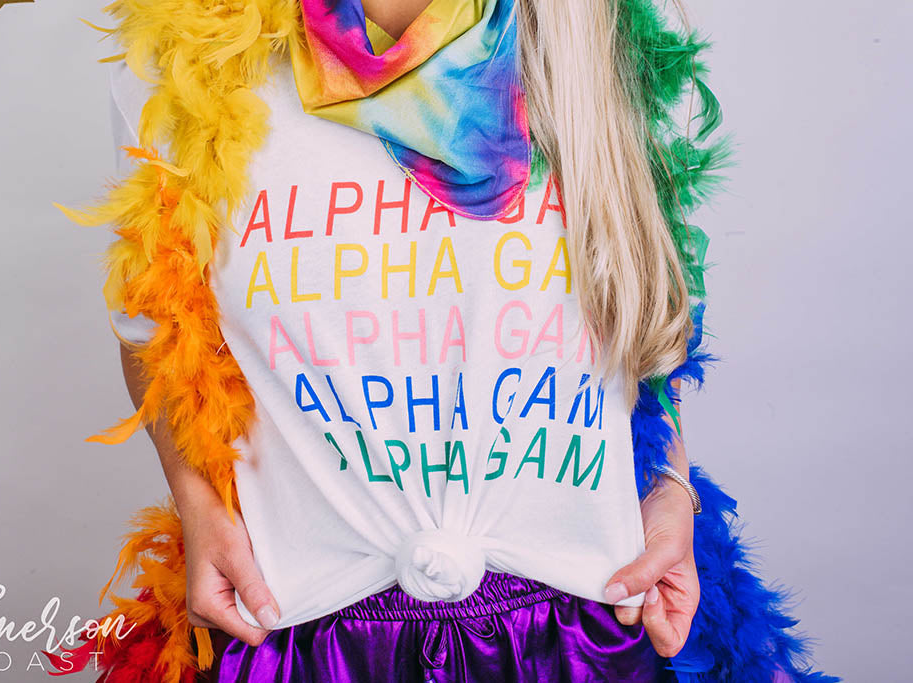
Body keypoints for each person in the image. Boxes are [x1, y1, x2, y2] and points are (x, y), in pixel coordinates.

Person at [51, 0, 835, 680]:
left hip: (587, 634)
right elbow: (156, 328)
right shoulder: (184, 69)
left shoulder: (597, 41)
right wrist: (197, 503)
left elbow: (638, 329)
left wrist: (669, 486)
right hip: (302, 635)